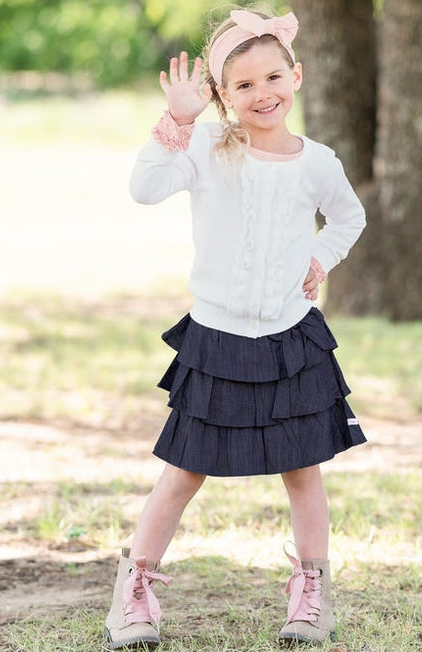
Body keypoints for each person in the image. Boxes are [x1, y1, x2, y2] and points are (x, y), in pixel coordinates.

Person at [105, 7, 367, 650]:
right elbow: (143, 189)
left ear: (297, 76)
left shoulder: (318, 162)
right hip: (217, 337)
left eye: (273, 77)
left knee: (303, 470)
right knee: (183, 470)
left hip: (290, 339)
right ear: (222, 93)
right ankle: (134, 590)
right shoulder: (204, 147)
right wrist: (178, 120)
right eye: (242, 84)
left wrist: (319, 259)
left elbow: (348, 219)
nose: (262, 93)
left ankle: (310, 591)